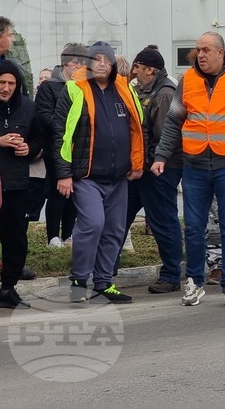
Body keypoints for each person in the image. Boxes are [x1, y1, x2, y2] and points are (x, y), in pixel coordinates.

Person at [152, 31, 225, 309]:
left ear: (221, 52)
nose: (200, 55)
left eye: (206, 50)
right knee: (193, 227)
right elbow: (173, 122)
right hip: (194, 164)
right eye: (198, 50)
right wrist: (161, 155)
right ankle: (194, 281)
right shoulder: (187, 80)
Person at [54, 41, 145, 304]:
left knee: (115, 230)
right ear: (89, 63)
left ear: (114, 64)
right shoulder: (74, 90)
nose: (102, 63)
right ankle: (79, 281)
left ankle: (104, 283)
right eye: (97, 59)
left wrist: (137, 165)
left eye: (107, 59)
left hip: (119, 177)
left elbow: (138, 129)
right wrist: (63, 173)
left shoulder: (125, 90)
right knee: (93, 224)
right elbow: (60, 133)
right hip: (86, 175)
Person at [0, 60, 39, 310]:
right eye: (2, 82)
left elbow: (39, 139)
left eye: (11, 83)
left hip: (16, 183)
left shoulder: (28, 107)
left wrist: (30, 148)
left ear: (18, 85)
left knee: (16, 239)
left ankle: (8, 288)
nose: (6, 88)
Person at [126, 45, 181, 294]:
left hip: (159, 169)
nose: (134, 72)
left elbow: (164, 137)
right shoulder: (146, 90)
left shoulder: (164, 94)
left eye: (137, 68)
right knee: (119, 218)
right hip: (142, 169)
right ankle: (103, 271)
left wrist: (148, 163)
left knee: (163, 221)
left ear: (151, 69)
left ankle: (171, 274)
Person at [35, 43, 87, 247]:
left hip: (78, 147)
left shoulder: (82, 85)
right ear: (66, 62)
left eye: (83, 63)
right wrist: (67, 125)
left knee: (74, 191)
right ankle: (53, 236)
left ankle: (68, 233)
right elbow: (43, 115)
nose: (79, 66)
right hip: (55, 146)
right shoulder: (50, 86)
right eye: (77, 62)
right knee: (58, 190)